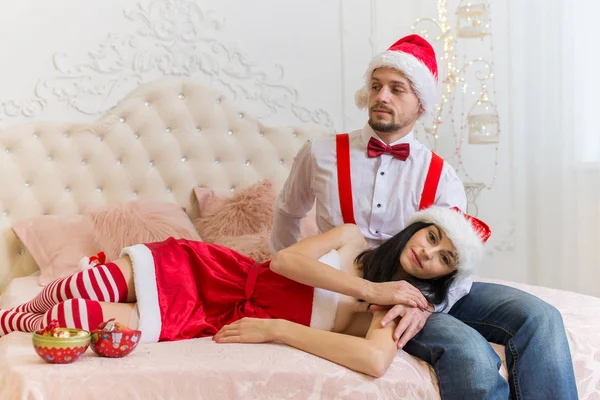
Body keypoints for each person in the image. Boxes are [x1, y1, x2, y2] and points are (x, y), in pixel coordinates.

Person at [271, 34, 578, 398]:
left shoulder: (440, 174)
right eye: (375, 86)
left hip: (425, 289)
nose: (381, 97)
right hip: (360, 291)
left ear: (420, 104)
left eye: (396, 89)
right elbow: (289, 215)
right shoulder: (319, 153)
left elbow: (457, 261)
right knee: (470, 353)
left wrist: (429, 306)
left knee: (541, 317)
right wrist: (304, 286)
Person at [0, 206, 488, 377]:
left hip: (223, 312)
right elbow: (283, 261)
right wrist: (368, 286)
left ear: (443, 277)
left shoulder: (400, 308)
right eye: (432, 236)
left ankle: (33, 315)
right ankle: (19, 311)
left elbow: (374, 362)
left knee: (85, 316)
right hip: (224, 273)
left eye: (446, 258)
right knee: (97, 280)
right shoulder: (351, 237)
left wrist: (279, 329)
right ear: (415, 229)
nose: (430, 252)